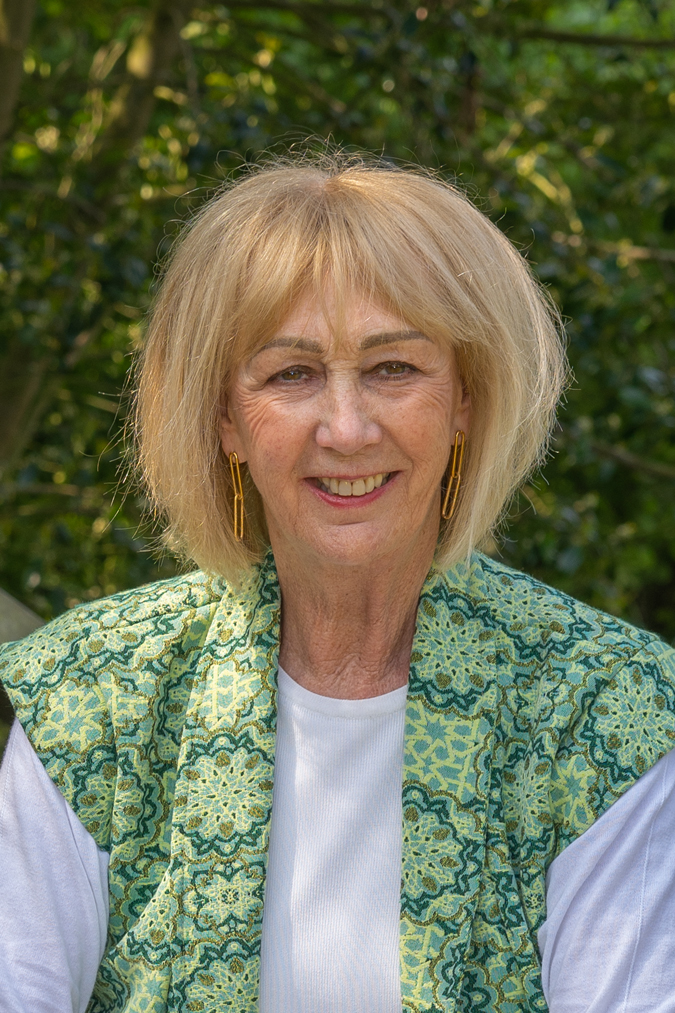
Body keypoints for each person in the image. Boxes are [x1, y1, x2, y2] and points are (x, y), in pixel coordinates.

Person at [1, 155, 674, 1013]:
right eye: (292, 374)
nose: (347, 428)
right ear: (224, 420)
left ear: (466, 396)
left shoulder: (601, 708)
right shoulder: (93, 697)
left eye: (393, 367)